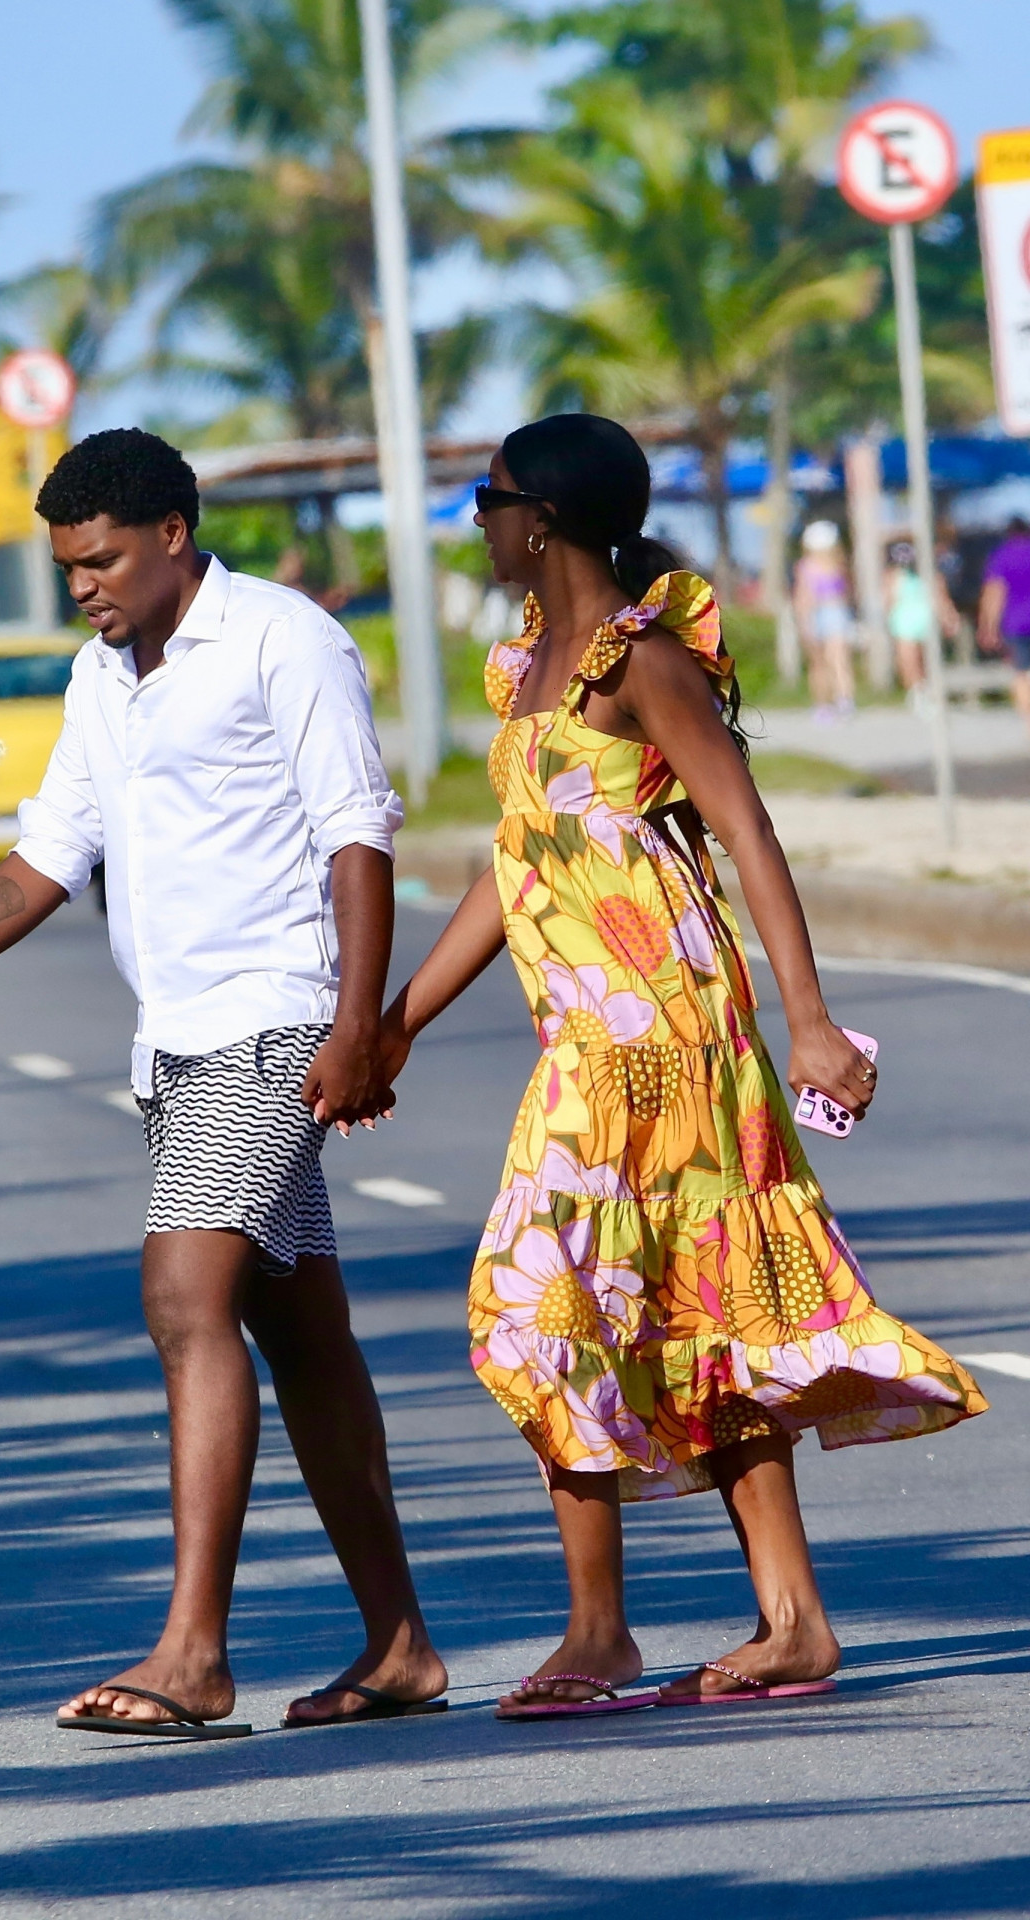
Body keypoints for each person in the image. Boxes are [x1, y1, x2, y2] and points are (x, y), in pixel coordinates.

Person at [0, 428, 447, 1737]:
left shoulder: (285, 639)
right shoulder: (101, 678)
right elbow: (44, 859)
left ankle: (193, 1654)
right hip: (172, 1045)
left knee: (183, 1293)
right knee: (302, 1337)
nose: (85, 586)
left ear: (174, 531)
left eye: (101, 559)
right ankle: (399, 1646)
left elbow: (357, 830)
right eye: (68, 567)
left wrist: (356, 1030)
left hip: (272, 1025)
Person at [379, 414, 987, 1715]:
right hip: (584, 1044)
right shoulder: (526, 669)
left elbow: (748, 831)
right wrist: (401, 1021)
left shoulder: (640, 663)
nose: (475, 521)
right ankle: (730, 1626)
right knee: (612, 1308)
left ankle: (665, 1630)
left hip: (678, 1035)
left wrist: (810, 1019)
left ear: (539, 518)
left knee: (610, 1302)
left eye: (486, 500)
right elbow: (517, 864)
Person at [884, 538, 961, 708]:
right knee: (909, 660)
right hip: (904, 621)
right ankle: (917, 692)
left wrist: (949, 617)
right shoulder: (894, 577)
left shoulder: (931, 575)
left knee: (929, 660)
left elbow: (942, 598)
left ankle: (932, 692)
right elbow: (888, 601)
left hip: (926, 621)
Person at [793, 520, 855, 723]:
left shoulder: (836, 564)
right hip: (821, 613)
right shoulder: (812, 566)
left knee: (834, 659)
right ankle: (829, 703)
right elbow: (804, 596)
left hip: (830, 612)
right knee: (823, 662)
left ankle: (839, 700)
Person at [977, 515, 1030, 738]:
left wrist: (987, 625)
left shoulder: (1002, 556)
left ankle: (1028, 721)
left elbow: (994, 592)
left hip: (1015, 622)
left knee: (1020, 673)